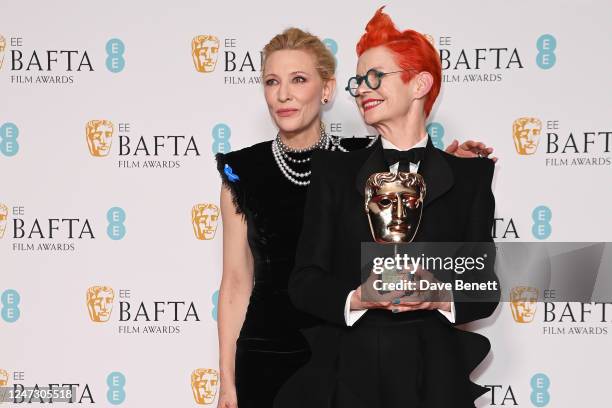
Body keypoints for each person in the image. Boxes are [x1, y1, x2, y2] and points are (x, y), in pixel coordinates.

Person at [216, 26, 496, 408]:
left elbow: (482, 283)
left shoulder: (461, 176)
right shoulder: (329, 172)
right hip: (324, 362)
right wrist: (357, 297)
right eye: (360, 79)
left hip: (431, 374)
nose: (364, 88)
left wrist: (451, 170)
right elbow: (246, 282)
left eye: (375, 77)